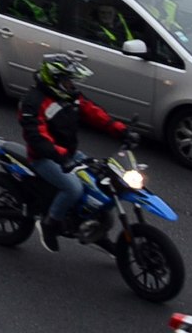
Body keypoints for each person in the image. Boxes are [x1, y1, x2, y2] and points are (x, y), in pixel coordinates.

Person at [20, 53, 135, 253]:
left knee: (102, 184)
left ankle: (97, 232)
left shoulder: (70, 97)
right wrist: (61, 156)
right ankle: (50, 224)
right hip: (44, 158)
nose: (72, 85)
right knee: (73, 188)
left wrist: (121, 130)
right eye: (67, 81)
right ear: (54, 79)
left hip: (69, 154)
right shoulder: (33, 102)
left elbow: (94, 113)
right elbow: (37, 138)